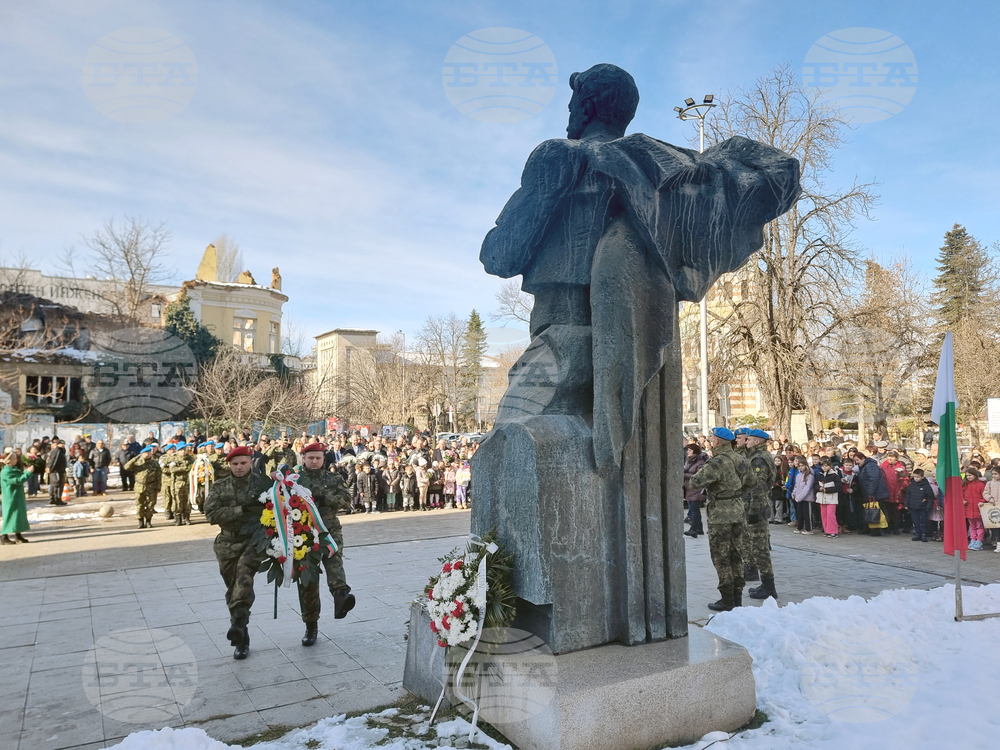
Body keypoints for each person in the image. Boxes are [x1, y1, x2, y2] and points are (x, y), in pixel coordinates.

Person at [204, 446, 275, 659]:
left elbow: (278, 508)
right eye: (234, 464)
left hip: (253, 541)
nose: (238, 467)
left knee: (244, 577)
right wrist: (241, 510)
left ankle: (237, 624)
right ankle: (241, 635)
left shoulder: (263, 484)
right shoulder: (220, 486)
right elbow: (211, 513)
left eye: (243, 463)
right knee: (233, 588)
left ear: (250, 462)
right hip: (226, 542)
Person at [292, 443, 357, 645]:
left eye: (318, 458)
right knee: (308, 581)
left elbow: (346, 499)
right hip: (303, 534)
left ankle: (341, 596)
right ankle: (310, 625)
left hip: (329, 530)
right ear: (303, 458)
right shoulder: (294, 480)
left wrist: (324, 496)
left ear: (323, 459)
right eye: (310, 458)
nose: (314, 461)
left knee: (334, 559)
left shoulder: (333, 478)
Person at [689, 427, 749, 612]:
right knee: (736, 555)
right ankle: (737, 596)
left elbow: (695, 482)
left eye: (712, 438)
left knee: (721, 557)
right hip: (738, 510)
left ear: (717, 442)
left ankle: (727, 599)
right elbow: (751, 483)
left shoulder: (717, 462)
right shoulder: (740, 458)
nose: (710, 440)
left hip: (721, 514)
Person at [744, 429, 778, 600]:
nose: (746, 442)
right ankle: (765, 584)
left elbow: (757, 487)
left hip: (757, 508)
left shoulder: (759, 459)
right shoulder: (759, 456)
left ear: (757, 442)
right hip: (757, 505)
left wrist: (753, 511)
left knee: (760, 549)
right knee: (757, 547)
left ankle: (769, 587)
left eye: (749, 439)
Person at [125, 444, 162, 528]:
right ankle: (140, 520)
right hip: (140, 486)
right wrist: (135, 458)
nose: (147, 454)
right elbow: (126, 467)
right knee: (140, 504)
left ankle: (148, 520)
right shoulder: (137, 463)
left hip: (151, 486)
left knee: (150, 504)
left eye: (148, 453)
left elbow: (158, 476)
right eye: (145, 453)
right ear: (142, 454)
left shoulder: (154, 463)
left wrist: (158, 487)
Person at [1, 452, 34, 544]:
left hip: (17, 496)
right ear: (9, 461)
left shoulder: (13, 470)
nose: (16, 460)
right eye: (14, 459)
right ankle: (4, 536)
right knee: (10, 515)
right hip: (10, 497)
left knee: (18, 516)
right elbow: (17, 481)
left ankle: (18, 535)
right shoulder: (5, 472)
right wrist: (28, 473)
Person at [856, 450, 890, 537]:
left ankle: (877, 529)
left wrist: (870, 493)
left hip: (876, 493)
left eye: (857, 460)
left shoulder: (870, 466)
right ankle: (871, 528)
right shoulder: (865, 466)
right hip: (872, 492)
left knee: (876, 511)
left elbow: (873, 479)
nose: (856, 463)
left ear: (863, 458)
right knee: (871, 510)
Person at [905, 467, 935, 542]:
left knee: (923, 522)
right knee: (915, 521)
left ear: (922, 477)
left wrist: (928, 507)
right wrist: (906, 504)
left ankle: (924, 534)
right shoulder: (911, 485)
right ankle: (917, 533)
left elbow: (930, 497)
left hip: (923, 508)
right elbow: (908, 495)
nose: (916, 479)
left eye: (918, 477)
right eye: (914, 477)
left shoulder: (926, 486)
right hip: (913, 507)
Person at [683, 443, 707, 538]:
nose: (688, 452)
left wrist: (684, 475)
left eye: (689, 450)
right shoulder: (689, 460)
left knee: (694, 509)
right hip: (689, 488)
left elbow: (699, 475)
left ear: (694, 451)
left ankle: (693, 528)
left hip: (696, 488)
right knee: (693, 508)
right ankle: (699, 528)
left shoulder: (700, 462)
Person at [815, 458, 842, 538]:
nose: (824, 468)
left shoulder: (835, 476)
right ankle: (827, 530)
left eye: (826, 466)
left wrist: (827, 489)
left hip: (831, 498)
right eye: (823, 466)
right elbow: (815, 485)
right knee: (824, 515)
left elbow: (838, 487)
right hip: (822, 498)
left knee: (831, 514)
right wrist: (819, 488)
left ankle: (833, 531)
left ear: (830, 466)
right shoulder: (819, 475)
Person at [963, 467, 987, 550]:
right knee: (972, 525)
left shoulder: (981, 485)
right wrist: (963, 500)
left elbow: (984, 495)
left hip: (978, 508)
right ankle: (973, 539)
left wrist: (982, 501)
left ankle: (979, 541)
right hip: (969, 508)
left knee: (979, 526)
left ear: (975, 475)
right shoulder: (965, 485)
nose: (968, 477)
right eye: (967, 476)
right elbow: (961, 495)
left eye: (970, 475)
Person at [791, 456, 816, 535]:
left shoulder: (809, 476)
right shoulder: (798, 475)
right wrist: (794, 493)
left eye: (802, 466)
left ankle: (809, 529)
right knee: (799, 513)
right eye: (799, 466)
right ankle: (800, 527)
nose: (801, 467)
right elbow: (796, 485)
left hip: (806, 498)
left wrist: (800, 497)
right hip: (798, 498)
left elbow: (807, 488)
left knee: (807, 514)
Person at [45, 438, 68, 505]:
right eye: (61, 444)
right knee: (57, 484)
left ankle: (53, 498)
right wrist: (50, 468)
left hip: (58, 470)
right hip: (56, 471)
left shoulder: (60, 451)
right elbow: (53, 460)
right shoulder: (57, 451)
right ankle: (57, 499)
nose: (63, 445)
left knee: (54, 484)